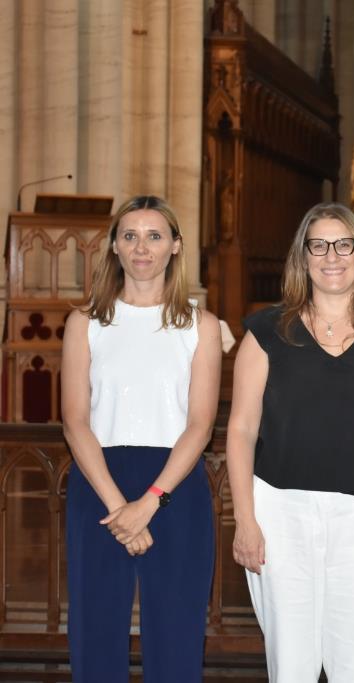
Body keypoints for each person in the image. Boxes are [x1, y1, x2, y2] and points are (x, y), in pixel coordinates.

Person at [226, 202, 354, 682]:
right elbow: (241, 430)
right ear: (303, 256)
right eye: (318, 245)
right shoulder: (266, 331)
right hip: (280, 514)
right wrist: (245, 520)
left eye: (343, 245)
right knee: (290, 665)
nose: (331, 256)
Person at [61, 195, 221, 681]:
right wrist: (119, 508)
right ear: (114, 246)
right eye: (129, 236)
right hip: (99, 483)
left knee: (176, 632)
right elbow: (74, 421)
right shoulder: (85, 323)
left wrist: (149, 503)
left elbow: (201, 425)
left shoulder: (200, 326)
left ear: (175, 246)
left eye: (154, 236)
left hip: (174, 484)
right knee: (95, 630)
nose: (141, 248)